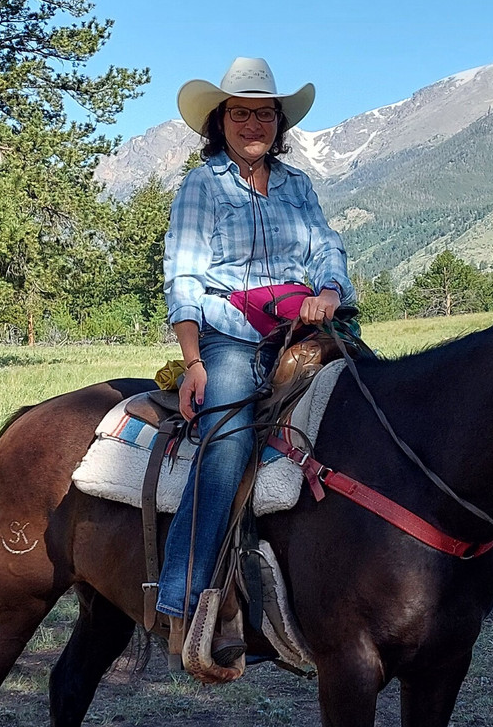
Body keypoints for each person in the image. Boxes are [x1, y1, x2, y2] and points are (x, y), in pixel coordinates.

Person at [158, 57, 354, 664]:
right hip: (231, 333)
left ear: (278, 122)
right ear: (221, 121)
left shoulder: (298, 185)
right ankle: (183, 591)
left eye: (263, 113)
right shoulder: (203, 185)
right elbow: (185, 275)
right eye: (240, 113)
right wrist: (194, 361)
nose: (253, 123)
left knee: (375, 400)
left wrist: (328, 292)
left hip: (305, 328)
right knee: (229, 438)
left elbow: (328, 247)